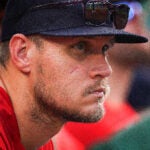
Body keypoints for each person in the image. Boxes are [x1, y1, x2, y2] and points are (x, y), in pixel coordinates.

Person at [0, 0, 148, 150]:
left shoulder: (39, 139)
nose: (105, 70)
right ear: (22, 53)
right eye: (80, 47)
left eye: (104, 48)